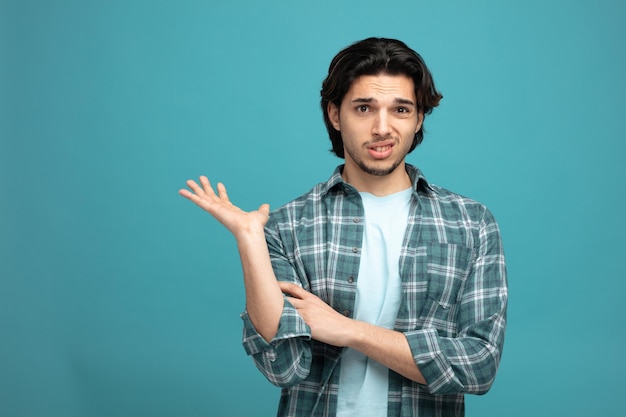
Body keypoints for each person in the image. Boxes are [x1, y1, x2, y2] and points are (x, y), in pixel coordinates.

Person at [179, 37, 507, 417]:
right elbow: (283, 366)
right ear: (335, 115)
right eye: (364, 108)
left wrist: (347, 330)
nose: (382, 128)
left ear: (418, 119)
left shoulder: (470, 224)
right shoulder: (289, 226)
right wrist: (250, 239)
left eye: (400, 109)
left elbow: (479, 366)